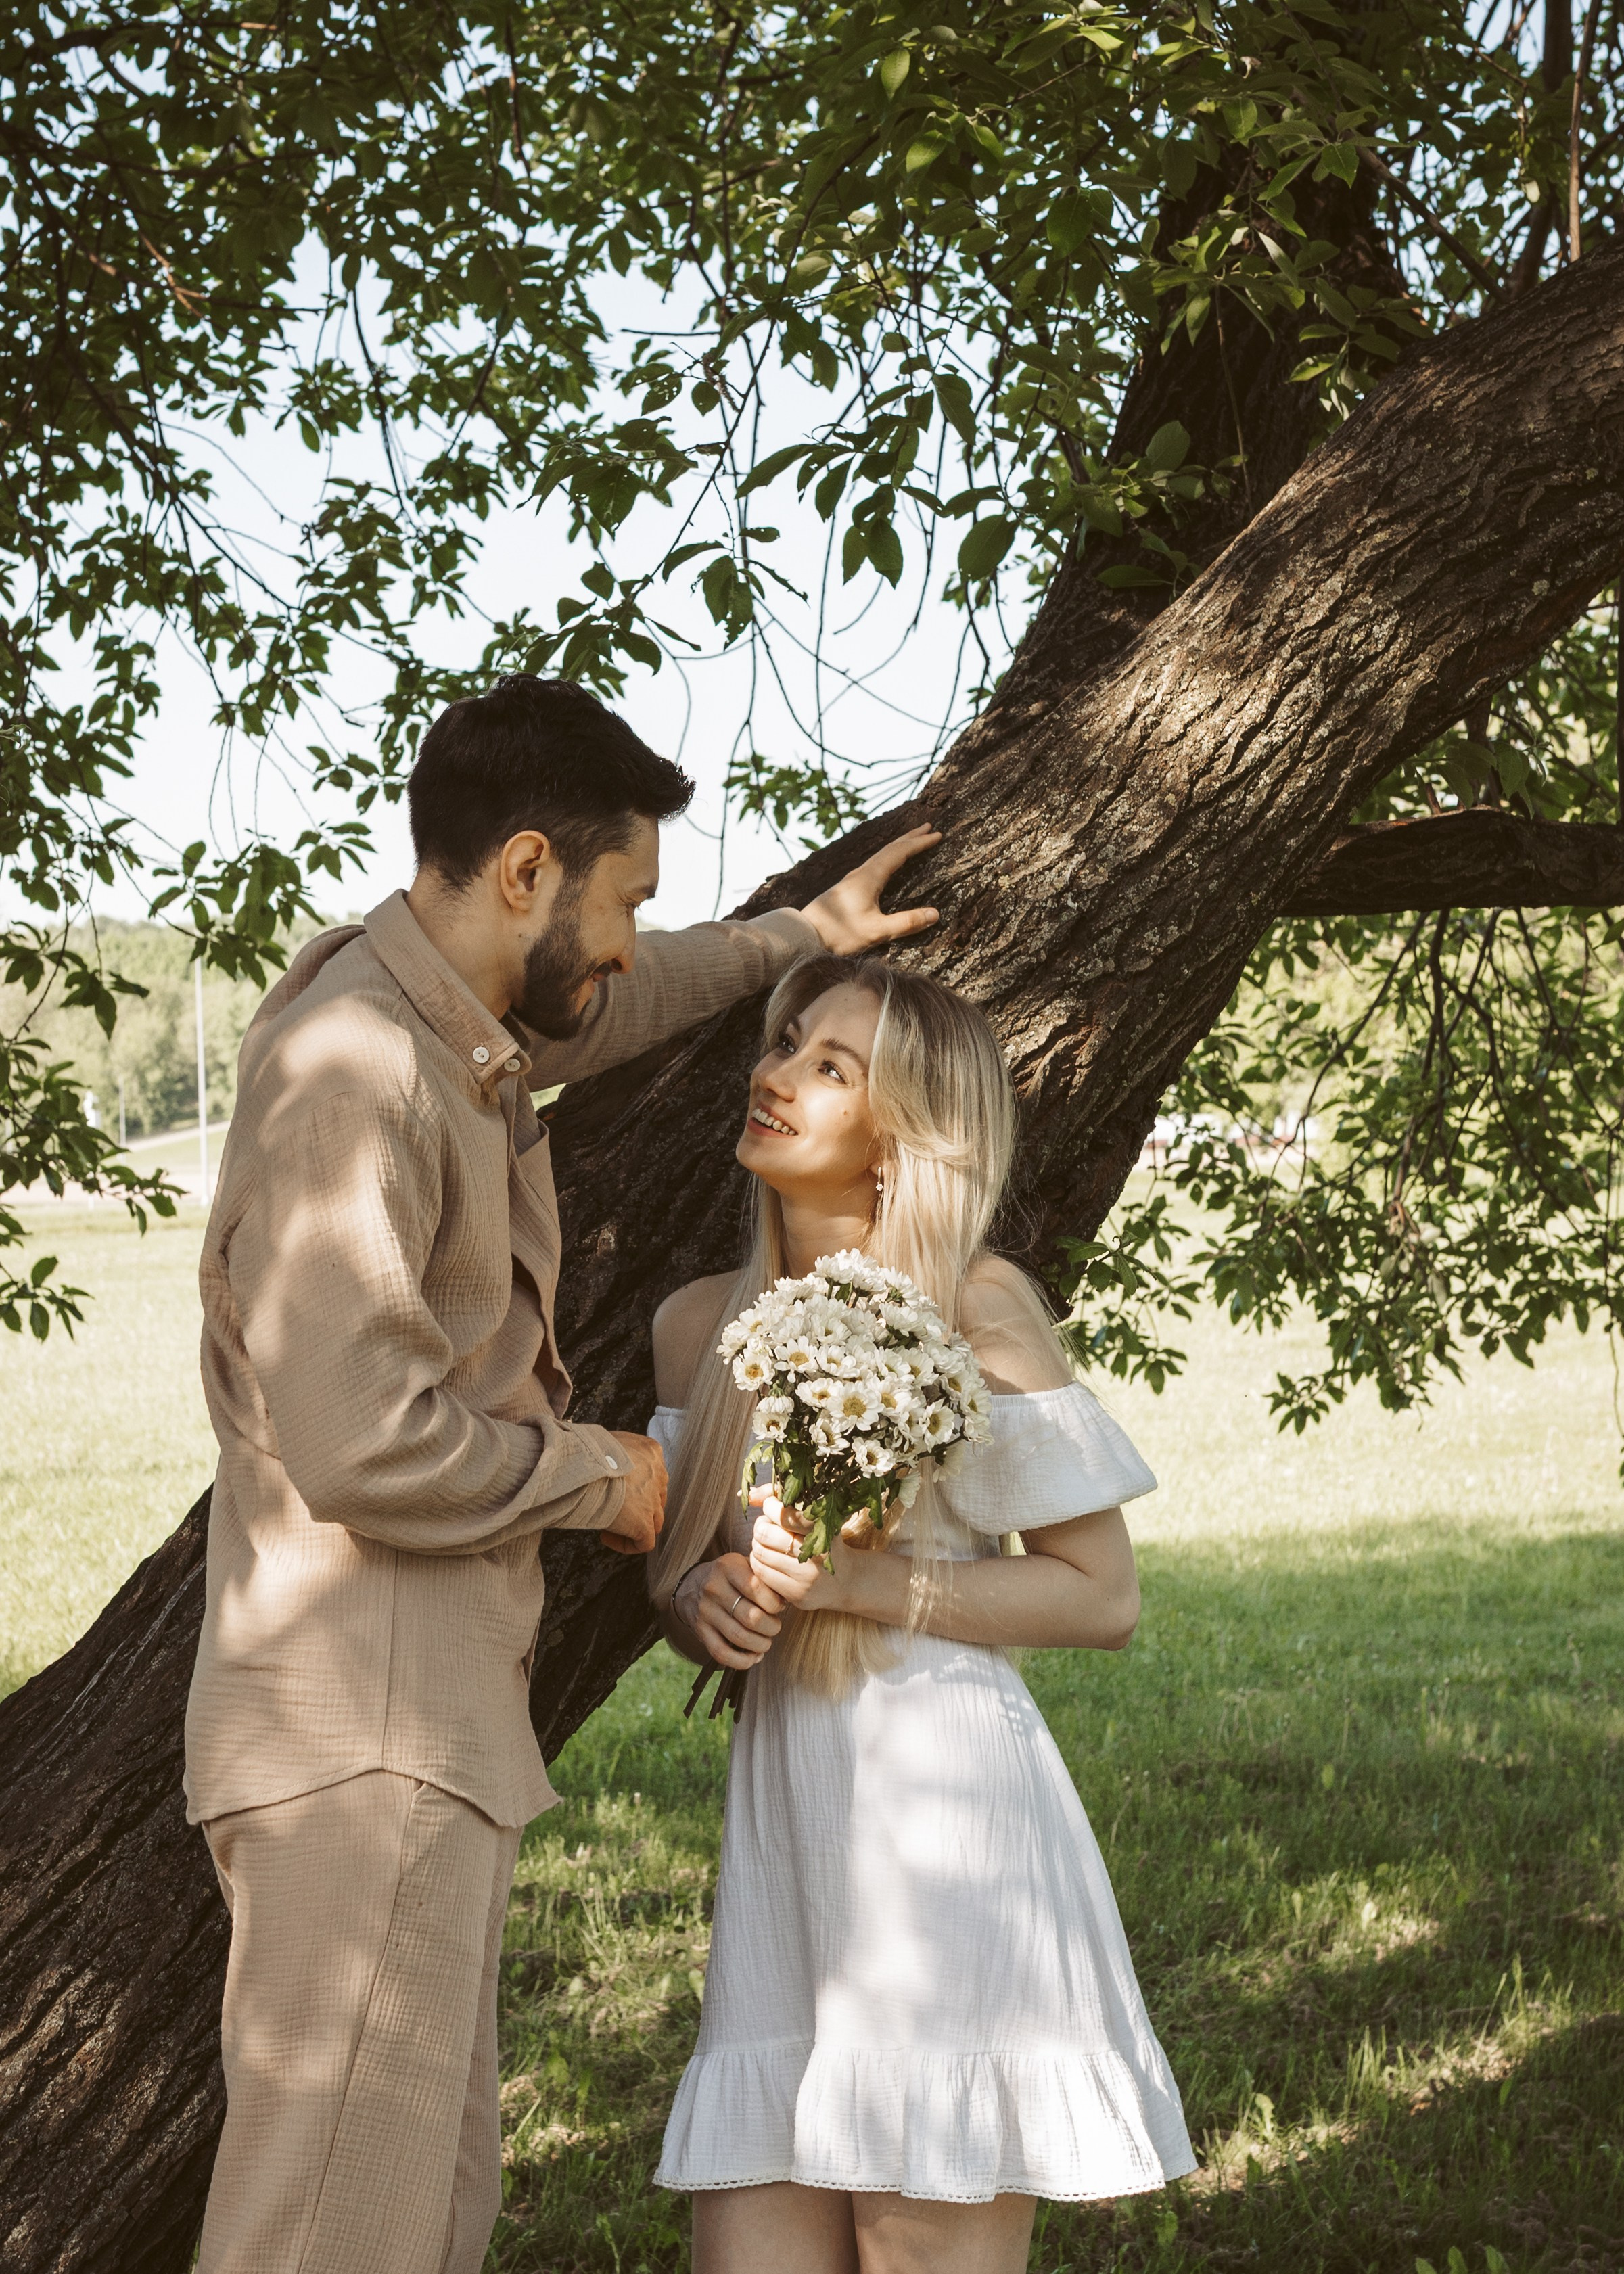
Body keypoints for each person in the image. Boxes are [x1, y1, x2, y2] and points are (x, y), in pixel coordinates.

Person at [181, 674, 942, 2274]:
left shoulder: (440, 1030)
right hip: (365, 1734)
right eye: (618, 902)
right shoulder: (361, 1070)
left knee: (416, 2220)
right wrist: (608, 1478)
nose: (620, 948)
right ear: (524, 869)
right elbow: (362, 1439)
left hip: (409, 1730)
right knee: (334, 2242)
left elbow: (621, 1001)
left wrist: (792, 940)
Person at [647, 953, 1195, 2274]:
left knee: (912, 2242)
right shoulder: (691, 1328)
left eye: (829, 1066)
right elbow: (672, 1579)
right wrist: (698, 1598)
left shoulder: (973, 1306)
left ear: (901, 1136)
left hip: (942, 1822)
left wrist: (862, 1580)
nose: (776, 1075)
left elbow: (1098, 1593)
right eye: (784, 1044)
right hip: (785, 1834)